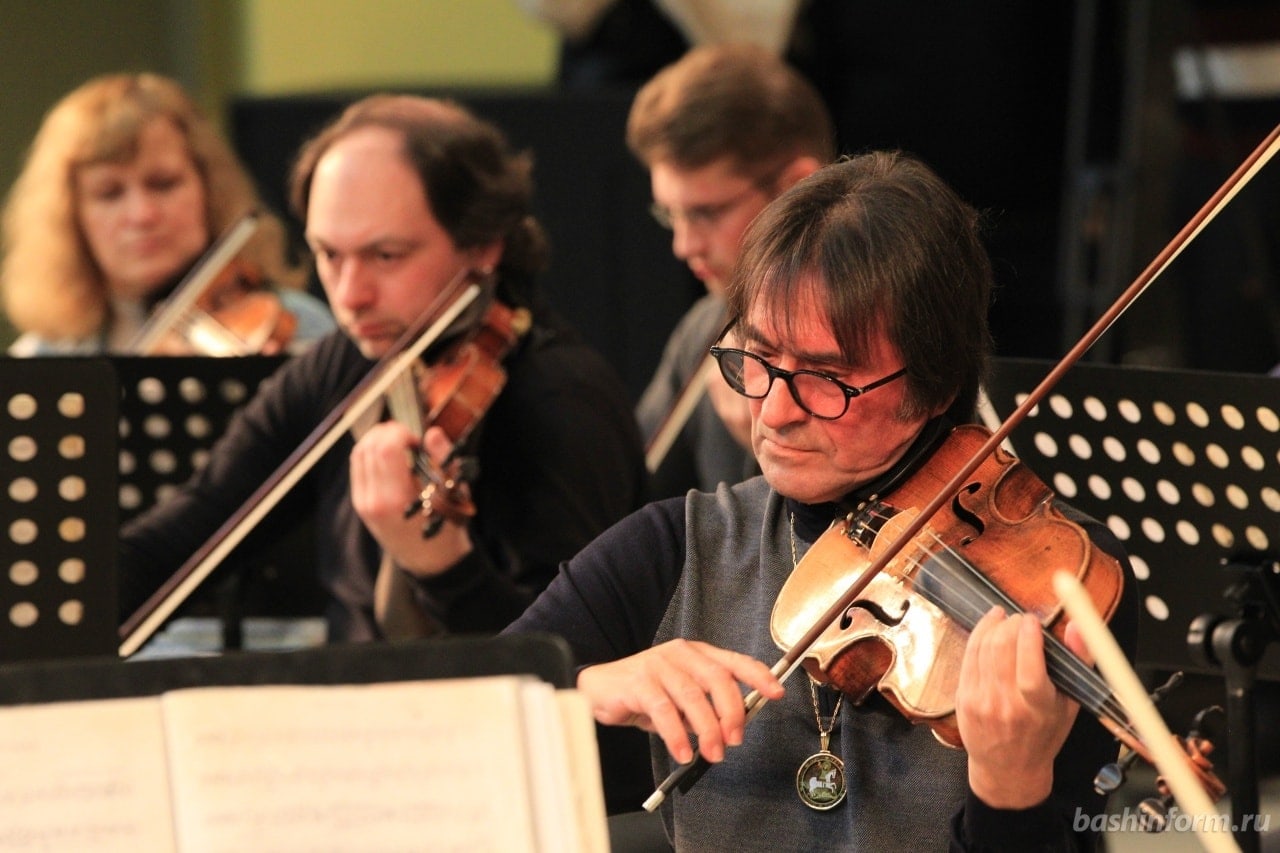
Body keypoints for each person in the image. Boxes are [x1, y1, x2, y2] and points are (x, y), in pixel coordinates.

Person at [506, 151, 1140, 849]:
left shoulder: (1059, 581)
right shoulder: (674, 549)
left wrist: (1010, 787)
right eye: (757, 358)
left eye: (826, 379)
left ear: (933, 384)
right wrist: (588, 691)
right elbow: (458, 714)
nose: (775, 413)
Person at [117, 94, 646, 649]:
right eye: (329, 255)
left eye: (386, 255)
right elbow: (183, 535)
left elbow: (578, 661)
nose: (350, 296)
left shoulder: (561, 399)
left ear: (483, 246)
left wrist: (444, 568)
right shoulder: (346, 363)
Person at [627, 43, 836, 498]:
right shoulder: (707, 326)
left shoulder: (867, 345)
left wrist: (776, 454)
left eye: (705, 213)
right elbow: (633, 499)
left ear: (797, 188)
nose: (684, 246)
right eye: (670, 215)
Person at [1, 72, 333, 356]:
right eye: (109, 193)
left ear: (210, 188)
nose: (142, 215)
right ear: (71, 217)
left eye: (164, 184)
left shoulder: (298, 327)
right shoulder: (46, 355)